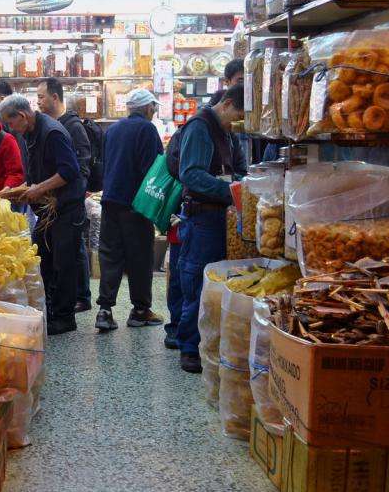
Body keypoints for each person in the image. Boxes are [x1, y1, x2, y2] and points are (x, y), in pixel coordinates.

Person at [0, 96, 85, 335]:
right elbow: (38, 171)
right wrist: (21, 189)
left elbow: (69, 171)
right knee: (42, 258)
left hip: (66, 208)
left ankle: (65, 318)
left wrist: (39, 189)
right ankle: (48, 311)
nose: (10, 129)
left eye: (10, 123)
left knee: (63, 263)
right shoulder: (29, 134)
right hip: (48, 211)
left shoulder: (52, 132)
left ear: (22, 116)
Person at [175, 84, 246, 373]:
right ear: (227, 104)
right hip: (202, 219)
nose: (239, 122)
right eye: (238, 114)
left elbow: (238, 167)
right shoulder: (200, 127)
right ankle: (189, 347)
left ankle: (208, 343)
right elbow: (190, 174)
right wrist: (231, 189)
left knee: (216, 283)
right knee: (196, 280)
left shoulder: (226, 132)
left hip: (221, 218)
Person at [95, 89, 165, 332]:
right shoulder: (147, 129)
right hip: (136, 204)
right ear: (147, 108)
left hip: (110, 200)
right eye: (153, 109)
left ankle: (104, 310)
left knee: (110, 255)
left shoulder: (113, 129)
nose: (153, 113)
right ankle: (140, 310)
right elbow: (154, 169)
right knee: (140, 257)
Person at [36, 77, 93, 311]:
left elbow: (81, 166)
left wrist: (77, 194)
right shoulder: (49, 125)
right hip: (55, 202)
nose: (37, 102)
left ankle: (82, 297)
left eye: (41, 97)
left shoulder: (72, 126)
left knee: (75, 250)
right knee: (67, 251)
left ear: (55, 97)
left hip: (70, 202)